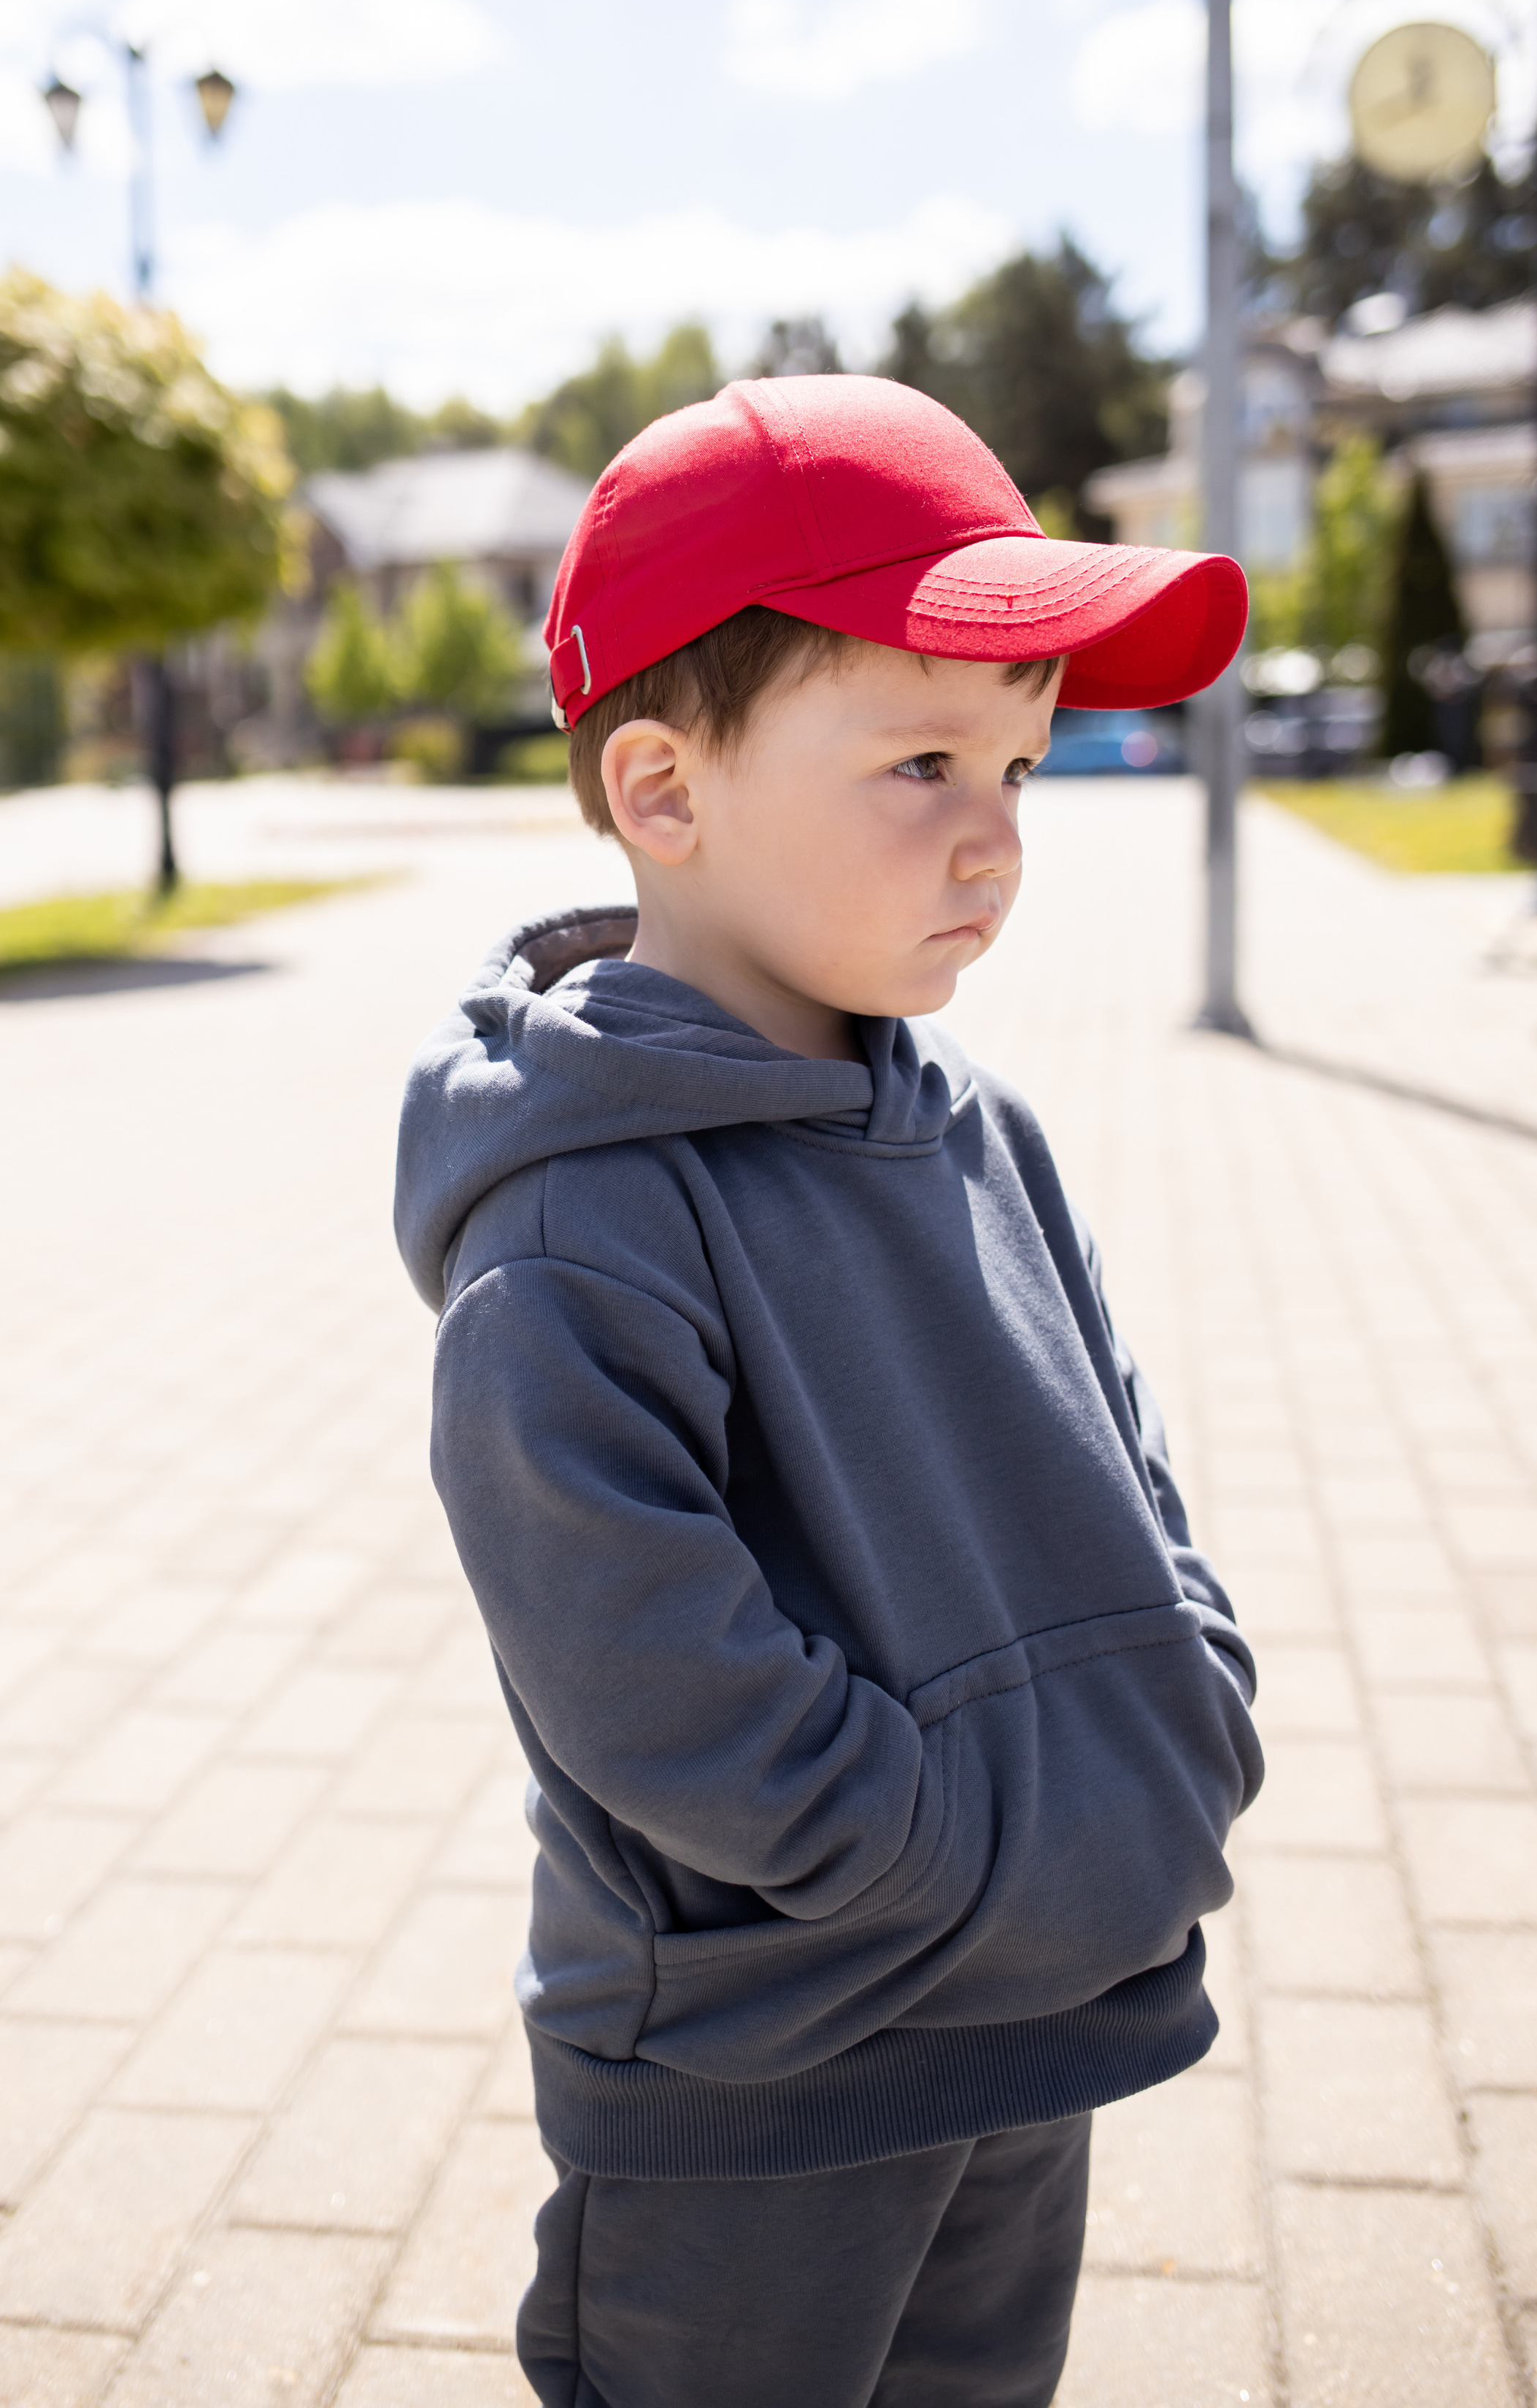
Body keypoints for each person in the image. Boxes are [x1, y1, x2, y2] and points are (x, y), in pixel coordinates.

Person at [396, 374, 1263, 2408]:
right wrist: (933, 1852)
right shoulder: (582, 1214)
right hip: (765, 2069)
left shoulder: (977, 1123)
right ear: (665, 793)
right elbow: (642, 1656)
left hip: (1037, 2014)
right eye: (926, 763)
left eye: (1029, 771)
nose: (997, 839)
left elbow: (1126, 1469)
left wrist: (1174, 1721)